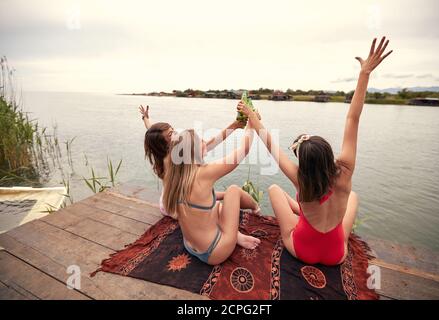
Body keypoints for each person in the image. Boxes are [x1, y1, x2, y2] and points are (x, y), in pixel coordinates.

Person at [237, 37, 393, 265]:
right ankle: (312, 217)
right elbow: (353, 118)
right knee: (354, 197)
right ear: (329, 155)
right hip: (336, 255)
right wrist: (364, 74)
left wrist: (251, 116)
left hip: (303, 250)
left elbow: (269, 143)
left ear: (304, 162)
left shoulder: (301, 178)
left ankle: (301, 212)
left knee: (273, 189)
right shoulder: (346, 169)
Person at [162, 103, 261, 265]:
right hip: (215, 252)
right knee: (234, 190)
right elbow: (244, 149)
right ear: (195, 152)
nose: (204, 142)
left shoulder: (174, 173)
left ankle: (237, 235)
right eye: (201, 141)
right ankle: (257, 209)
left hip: (190, 246)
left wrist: (235, 125)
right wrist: (252, 121)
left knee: (216, 206)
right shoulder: (204, 173)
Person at [139, 104, 245, 215]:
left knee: (217, 194)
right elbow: (213, 142)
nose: (176, 133)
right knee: (218, 208)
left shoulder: (160, 157)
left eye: (173, 130)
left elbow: (151, 130)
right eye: (171, 134)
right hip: (176, 208)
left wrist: (145, 118)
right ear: (162, 144)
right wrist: (235, 125)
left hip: (165, 203)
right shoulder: (179, 157)